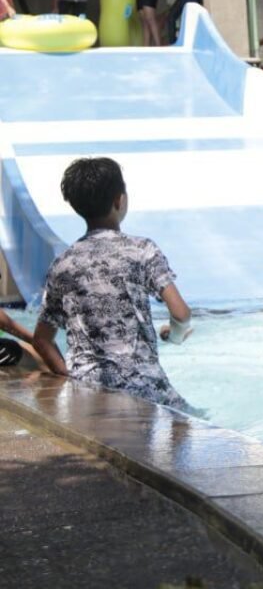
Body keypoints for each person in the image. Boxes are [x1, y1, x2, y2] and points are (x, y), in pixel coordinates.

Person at [30, 157, 198, 413]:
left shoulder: (62, 265)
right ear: (120, 200)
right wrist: (174, 336)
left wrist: (72, 381)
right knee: (194, 424)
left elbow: (41, 340)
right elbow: (181, 314)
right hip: (143, 386)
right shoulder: (142, 250)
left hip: (88, 391)